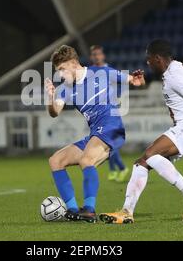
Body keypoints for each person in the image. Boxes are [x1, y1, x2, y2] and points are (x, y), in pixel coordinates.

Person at [99, 39, 183, 224]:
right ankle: (127, 211)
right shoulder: (172, 72)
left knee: (151, 155)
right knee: (142, 162)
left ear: (158, 58)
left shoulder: (175, 74)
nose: (147, 63)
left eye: (149, 59)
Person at [45, 45, 145, 223]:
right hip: (95, 133)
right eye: (57, 71)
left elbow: (134, 80)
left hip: (112, 127)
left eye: (62, 69)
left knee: (86, 160)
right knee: (55, 160)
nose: (60, 75)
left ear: (74, 63)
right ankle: (74, 210)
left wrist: (137, 80)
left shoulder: (101, 72)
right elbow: (55, 112)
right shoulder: (64, 89)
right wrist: (50, 99)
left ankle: (89, 210)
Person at [89, 45, 130, 182]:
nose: (96, 57)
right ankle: (114, 170)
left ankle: (121, 168)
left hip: (110, 110)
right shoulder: (91, 72)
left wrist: (118, 98)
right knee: (105, 142)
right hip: (97, 111)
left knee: (107, 142)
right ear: (91, 57)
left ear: (103, 56)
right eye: (94, 54)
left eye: (98, 54)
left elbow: (123, 84)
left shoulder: (109, 71)